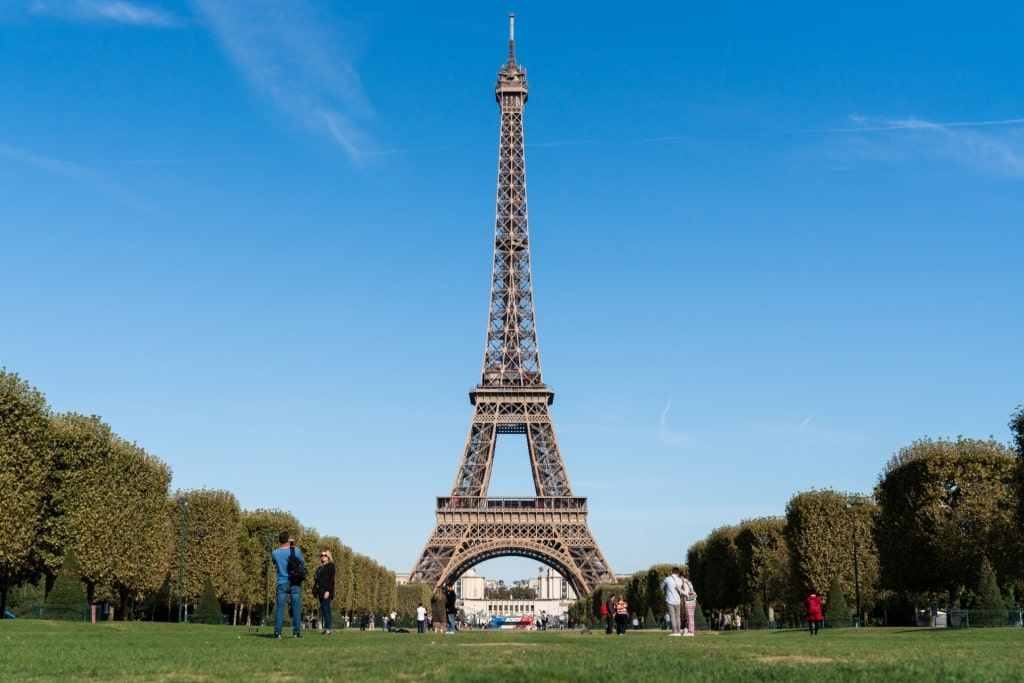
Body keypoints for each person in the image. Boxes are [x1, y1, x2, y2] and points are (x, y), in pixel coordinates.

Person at [271, 531, 305, 639]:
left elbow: (275, 562)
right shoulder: (295, 550)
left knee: (280, 608)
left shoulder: (275, 553)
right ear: (288, 540)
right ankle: (296, 632)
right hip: (295, 581)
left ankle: (278, 632)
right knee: (296, 607)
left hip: (282, 581)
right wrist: (293, 548)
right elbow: (302, 563)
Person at [312, 549, 335, 634]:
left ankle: (328, 629)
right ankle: (326, 629)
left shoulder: (331, 566)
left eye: (325, 555)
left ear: (328, 556)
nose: (323, 557)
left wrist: (328, 591)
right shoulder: (320, 568)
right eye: (321, 555)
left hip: (326, 591)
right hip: (320, 591)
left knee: (326, 609)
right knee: (324, 610)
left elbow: (331, 579)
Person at [662, 567, 684, 636]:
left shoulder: (667, 579)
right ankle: (679, 631)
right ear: (678, 573)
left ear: (671, 572)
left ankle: (674, 632)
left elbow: (661, 586)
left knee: (672, 616)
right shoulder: (680, 580)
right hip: (677, 600)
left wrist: (666, 588)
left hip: (670, 600)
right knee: (678, 616)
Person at [679, 569, 698, 636]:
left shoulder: (684, 583)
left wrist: (679, 589)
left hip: (689, 601)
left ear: (681, 577)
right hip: (693, 601)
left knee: (689, 617)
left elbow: (686, 593)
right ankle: (690, 630)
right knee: (691, 617)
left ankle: (691, 632)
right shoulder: (689, 582)